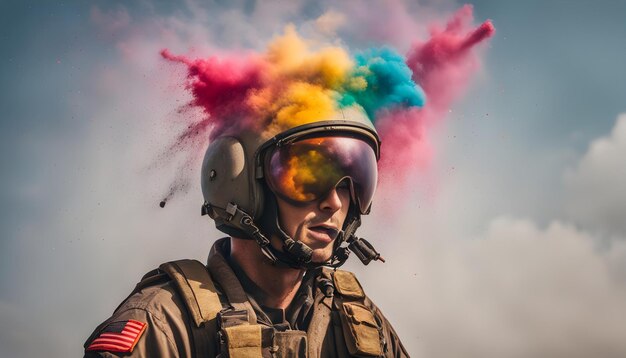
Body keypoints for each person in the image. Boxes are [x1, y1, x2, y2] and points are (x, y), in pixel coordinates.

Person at [83, 106, 410, 357]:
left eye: (351, 183)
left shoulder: (360, 322)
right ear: (239, 183)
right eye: (309, 177)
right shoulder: (164, 321)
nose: (335, 203)